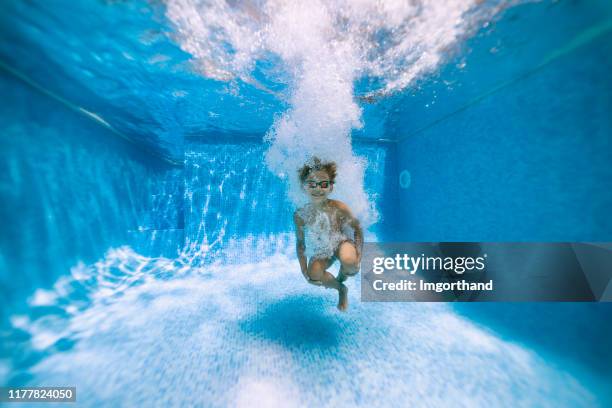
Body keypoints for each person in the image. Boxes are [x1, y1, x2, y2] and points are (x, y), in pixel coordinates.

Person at [293, 157, 363, 311]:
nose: (318, 189)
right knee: (314, 274)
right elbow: (300, 244)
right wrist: (304, 270)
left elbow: (357, 229)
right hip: (323, 249)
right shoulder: (301, 215)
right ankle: (341, 289)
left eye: (323, 184)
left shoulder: (339, 207)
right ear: (304, 187)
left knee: (350, 262)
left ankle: (342, 274)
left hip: (341, 242)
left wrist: (359, 256)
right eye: (312, 184)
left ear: (331, 187)